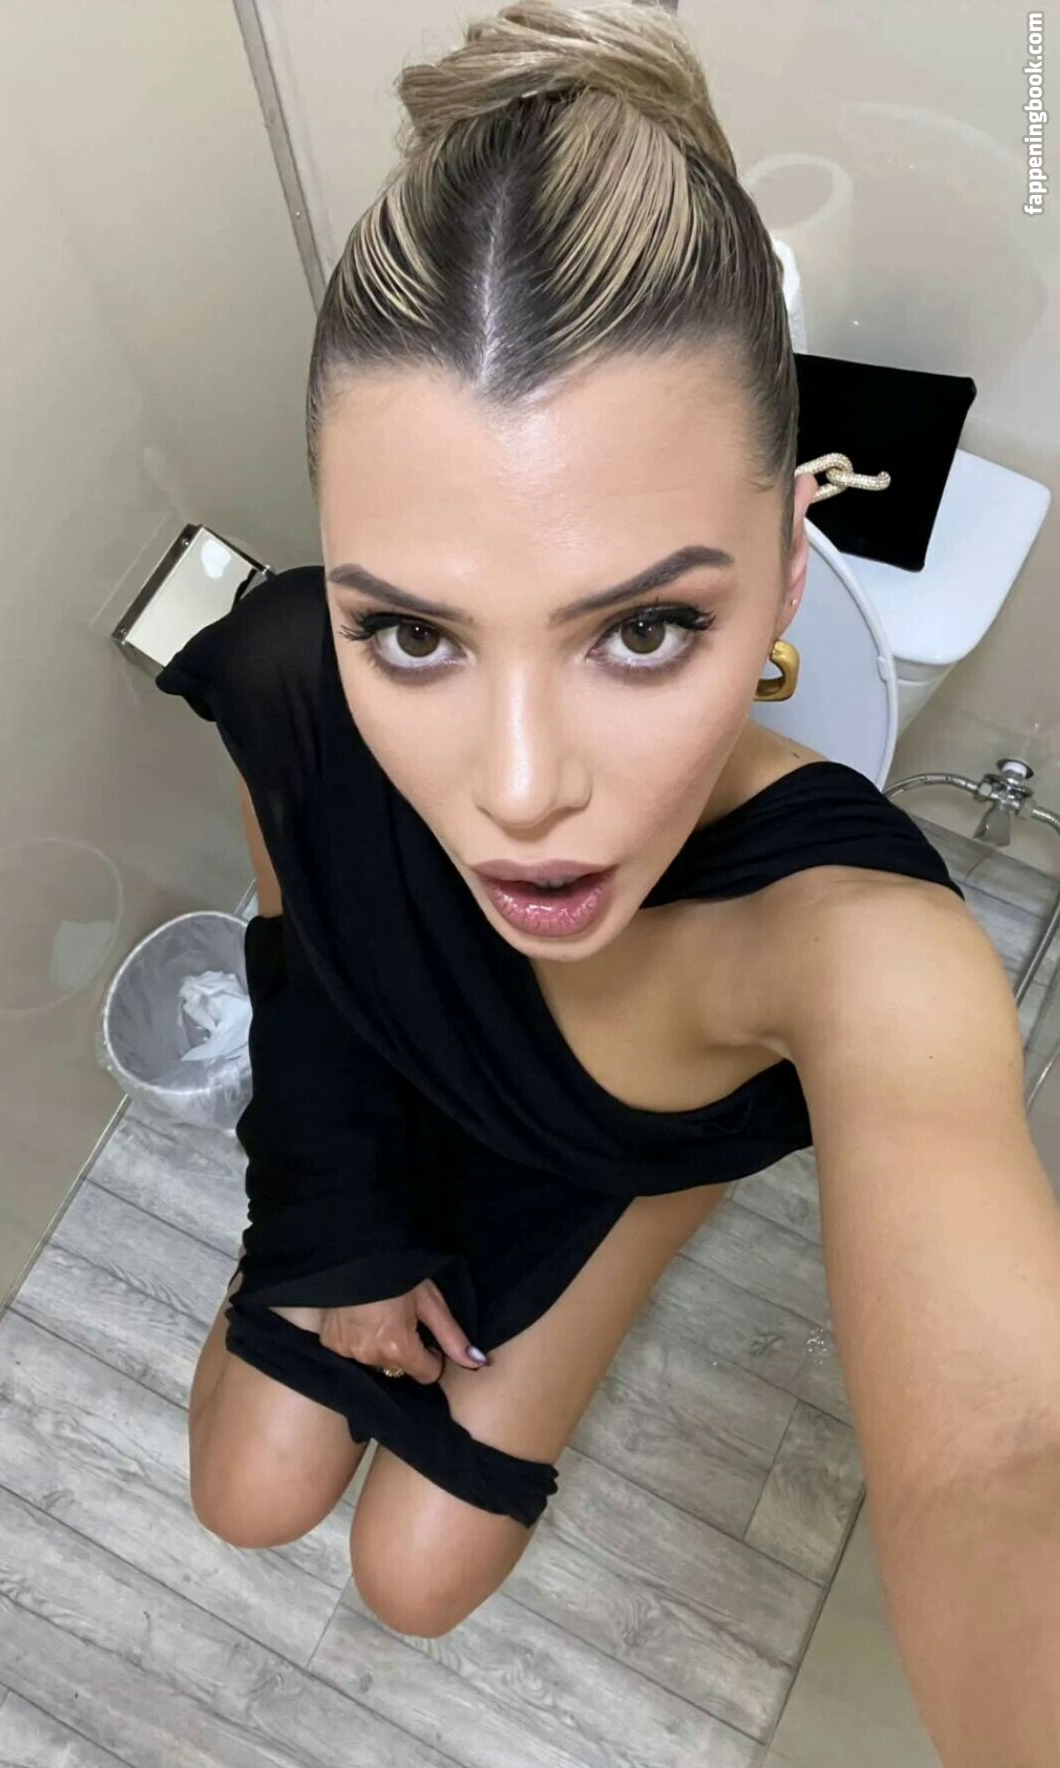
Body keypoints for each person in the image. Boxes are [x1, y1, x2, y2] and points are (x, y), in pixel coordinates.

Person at [157, 4, 1060, 1757]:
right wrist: (344, 1237)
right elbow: (300, 932)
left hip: (583, 1175)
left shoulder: (859, 952)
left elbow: (1003, 1455)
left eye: (644, 627)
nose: (518, 795)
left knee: (415, 1577)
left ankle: (658, 1191)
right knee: (249, 1495)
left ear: (785, 572)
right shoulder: (290, 669)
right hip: (384, 1078)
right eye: (413, 632)